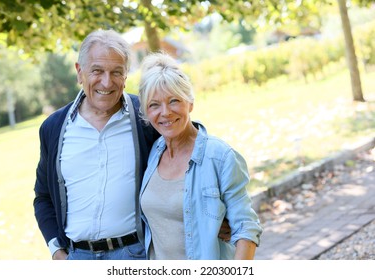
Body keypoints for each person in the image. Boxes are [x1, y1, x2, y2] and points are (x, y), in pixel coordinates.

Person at [33, 29, 159, 260]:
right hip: (77, 257)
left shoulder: (146, 116)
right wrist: (57, 252)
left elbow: (186, 156)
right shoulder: (53, 128)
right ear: (79, 72)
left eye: (116, 72)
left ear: (126, 75)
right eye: (97, 71)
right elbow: (43, 197)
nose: (107, 82)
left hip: (135, 254)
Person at [138, 52, 263, 260]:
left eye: (174, 101)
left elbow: (246, 229)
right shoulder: (153, 153)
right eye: (154, 105)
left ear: (190, 103)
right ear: (146, 111)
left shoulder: (220, 157)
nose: (165, 112)